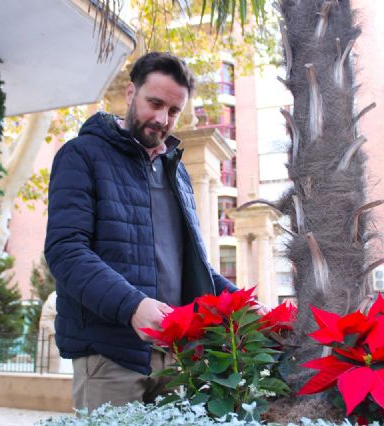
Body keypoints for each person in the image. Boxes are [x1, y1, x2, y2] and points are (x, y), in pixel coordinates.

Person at [44, 52, 239, 412]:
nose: (162, 119)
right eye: (155, 103)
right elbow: (66, 252)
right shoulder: (80, 155)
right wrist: (132, 305)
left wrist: (241, 304)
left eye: (174, 111)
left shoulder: (176, 172)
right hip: (109, 357)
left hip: (176, 356)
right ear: (131, 93)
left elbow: (189, 264)